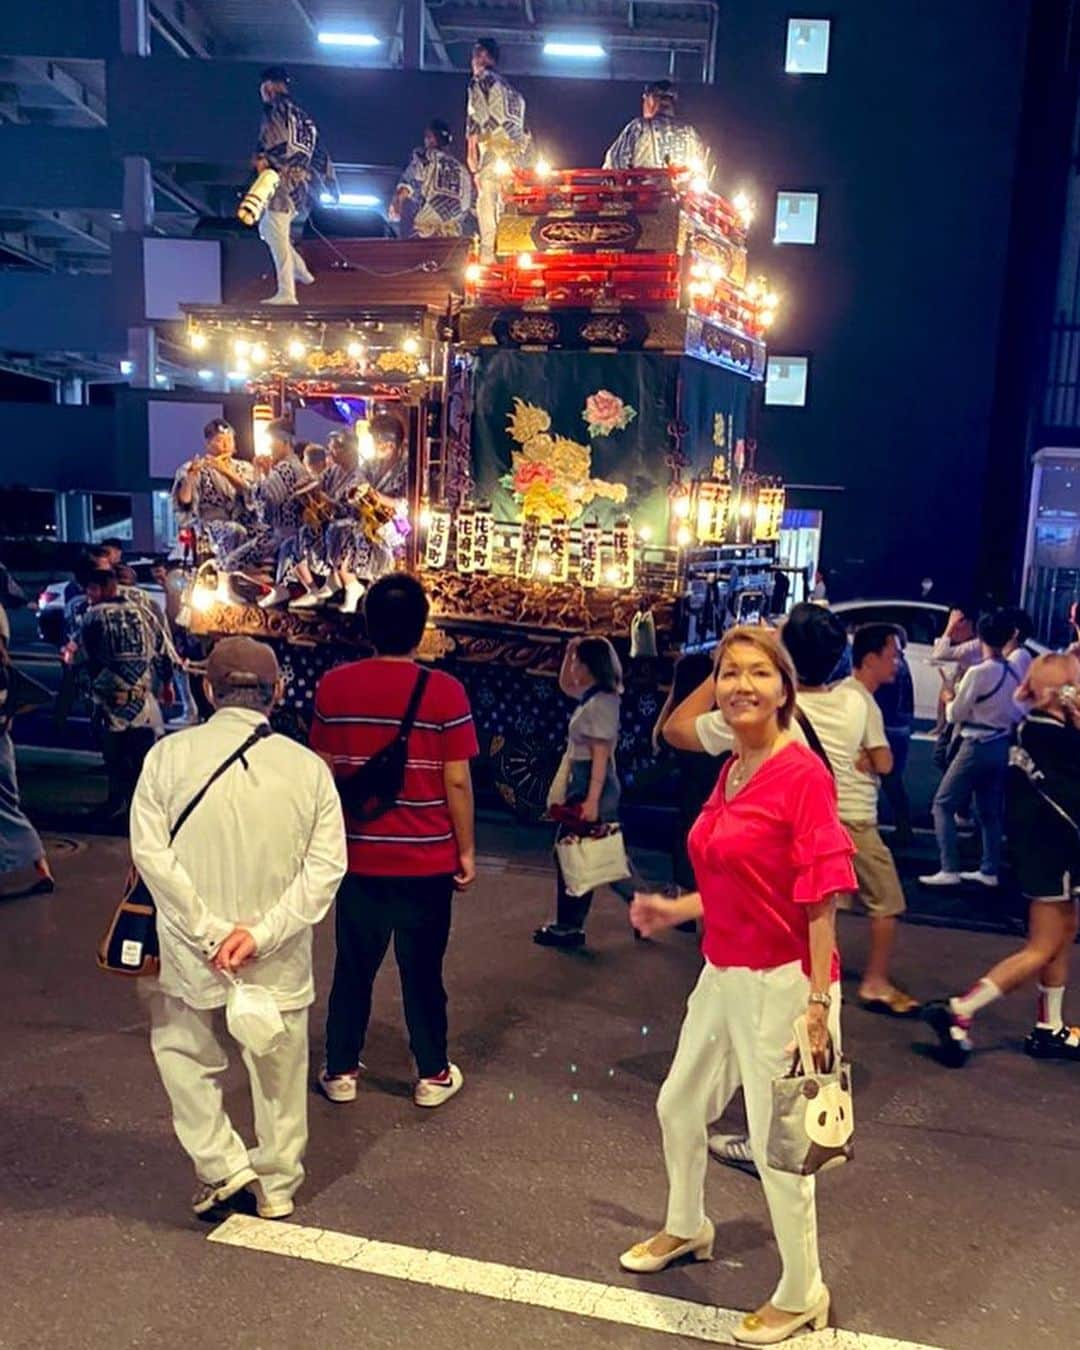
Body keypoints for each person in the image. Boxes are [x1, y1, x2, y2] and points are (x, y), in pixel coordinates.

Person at [624, 627, 853, 1346]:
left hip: (785, 983)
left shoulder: (801, 773)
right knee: (678, 1105)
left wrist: (816, 1006)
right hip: (724, 969)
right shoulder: (737, 761)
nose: (741, 686)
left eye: (758, 673)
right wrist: (679, 908)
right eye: (728, 673)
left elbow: (820, 898)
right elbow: (743, 877)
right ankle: (688, 1225)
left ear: (786, 688)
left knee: (778, 1144)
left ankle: (802, 1289)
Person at [131, 637, 346, 1218]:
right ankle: (277, 1185)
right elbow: (326, 869)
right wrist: (261, 933)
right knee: (278, 1065)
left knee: (184, 1050)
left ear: (207, 688)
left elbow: (151, 855)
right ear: (276, 693)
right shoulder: (308, 771)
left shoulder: (167, 758)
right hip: (272, 954)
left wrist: (206, 930)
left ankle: (221, 1164)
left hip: (189, 949)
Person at [311, 574, 478, 1109]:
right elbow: (456, 779)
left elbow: (323, 771)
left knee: (353, 967)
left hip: (358, 856)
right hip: (427, 860)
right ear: (422, 630)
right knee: (423, 970)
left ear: (366, 626)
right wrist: (466, 849)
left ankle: (340, 1070)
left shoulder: (333, 688)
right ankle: (431, 1073)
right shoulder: (446, 692)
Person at [922, 653, 1080, 1067]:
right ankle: (962, 1008)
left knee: (1062, 934)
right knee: (1043, 945)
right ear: (1062, 693)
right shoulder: (1059, 738)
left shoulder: (1029, 728)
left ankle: (1050, 1027)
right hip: (1055, 852)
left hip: (1040, 852)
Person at [838, 622, 919, 1014]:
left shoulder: (840, 694)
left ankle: (815, 973)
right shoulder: (863, 702)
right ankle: (874, 983)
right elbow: (885, 762)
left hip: (833, 815)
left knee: (825, 899)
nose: (899, 663)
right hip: (855, 819)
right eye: (893, 655)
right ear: (870, 659)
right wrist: (874, 760)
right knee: (887, 901)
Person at [533, 637, 626, 950]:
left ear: (590, 666)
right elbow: (566, 685)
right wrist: (570, 651)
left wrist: (591, 799)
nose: (573, 668)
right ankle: (645, 905)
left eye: (578, 662)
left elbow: (600, 755)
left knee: (577, 853)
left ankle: (569, 926)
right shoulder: (595, 696)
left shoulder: (602, 703)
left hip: (590, 781)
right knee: (594, 852)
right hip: (585, 779)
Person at [920, 609, 1023, 889]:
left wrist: (949, 697)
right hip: (1000, 744)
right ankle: (988, 868)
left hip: (975, 744)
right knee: (989, 810)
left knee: (943, 804)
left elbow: (955, 714)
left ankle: (949, 867)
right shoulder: (1013, 670)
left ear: (981, 637)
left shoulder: (979, 672)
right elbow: (1019, 710)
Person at [76, 566, 173, 822]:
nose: (88, 594)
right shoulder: (144, 613)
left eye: (91, 589)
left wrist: (85, 686)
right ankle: (143, 811)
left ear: (104, 588)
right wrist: (166, 684)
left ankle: (119, 805)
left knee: (116, 760)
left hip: (111, 701)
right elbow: (163, 651)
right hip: (141, 701)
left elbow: (83, 658)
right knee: (141, 759)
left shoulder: (93, 616)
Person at [253, 66, 337, 305]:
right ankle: (301, 271)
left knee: (275, 229)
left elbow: (274, 142)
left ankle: (287, 292)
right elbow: (321, 153)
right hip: (302, 185)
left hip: (281, 179)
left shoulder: (276, 109)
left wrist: (262, 159)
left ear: (269, 86)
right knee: (268, 229)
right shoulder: (305, 118)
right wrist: (331, 183)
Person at [653, 650, 722, 912]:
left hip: (691, 797)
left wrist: (674, 696)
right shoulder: (718, 723)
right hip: (715, 798)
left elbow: (659, 738)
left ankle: (687, 902)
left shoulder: (682, 728)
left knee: (687, 844)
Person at [0, 606, 54, 894]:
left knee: (7, 809)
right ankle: (41, 867)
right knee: (9, 806)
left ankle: (39, 864)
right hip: (3, 746)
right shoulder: (7, 672)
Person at [221, 420, 314, 576]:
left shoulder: (284, 468)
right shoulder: (298, 467)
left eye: (273, 442)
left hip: (280, 536)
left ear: (285, 442)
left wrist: (257, 473)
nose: (270, 447)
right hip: (295, 534)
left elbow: (262, 509)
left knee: (231, 561)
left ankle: (261, 589)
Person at [466, 38, 530, 263]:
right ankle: (511, 251)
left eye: (475, 56)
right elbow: (523, 130)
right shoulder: (513, 92)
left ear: (484, 57)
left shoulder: (480, 81)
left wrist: (472, 154)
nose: (473, 61)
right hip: (515, 159)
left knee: (486, 201)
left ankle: (487, 255)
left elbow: (475, 119)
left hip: (493, 151)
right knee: (509, 204)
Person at [172, 419, 256, 564]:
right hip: (210, 527)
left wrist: (225, 472)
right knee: (234, 530)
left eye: (230, 440)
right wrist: (191, 478)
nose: (226, 445)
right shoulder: (194, 468)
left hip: (244, 522)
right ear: (208, 443)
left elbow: (253, 494)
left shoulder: (245, 468)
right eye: (219, 440)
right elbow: (184, 502)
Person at [863, 625, 915, 846]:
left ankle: (902, 828)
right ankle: (903, 827)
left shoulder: (891, 669)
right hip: (901, 727)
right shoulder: (902, 665)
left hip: (891, 727)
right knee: (892, 781)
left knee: (887, 780)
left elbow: (880, 699)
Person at [391, 119, 475, 239]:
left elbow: (407, 187)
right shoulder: (462, 169)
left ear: (432, 138)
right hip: (453, 237)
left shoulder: (424, 158)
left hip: (425, 233)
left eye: (427, 136)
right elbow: (470, 203)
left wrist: (397, 205)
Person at [603, 80, 707, 172]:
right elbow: (701, 171)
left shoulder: (639, 126)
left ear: (650, 99)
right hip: (682, 192)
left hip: (643, 191)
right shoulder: (690, 132)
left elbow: (615, 163)